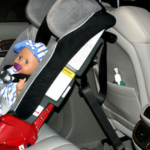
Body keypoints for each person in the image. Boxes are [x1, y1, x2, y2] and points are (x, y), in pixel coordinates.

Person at [0, 40, 48, 115]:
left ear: (37, 69)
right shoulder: (11, 69)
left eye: (26, 62)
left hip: (4, 107)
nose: (20, 62)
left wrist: (19, 91)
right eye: (20, 57)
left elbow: (20, 103)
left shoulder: (28, 83)